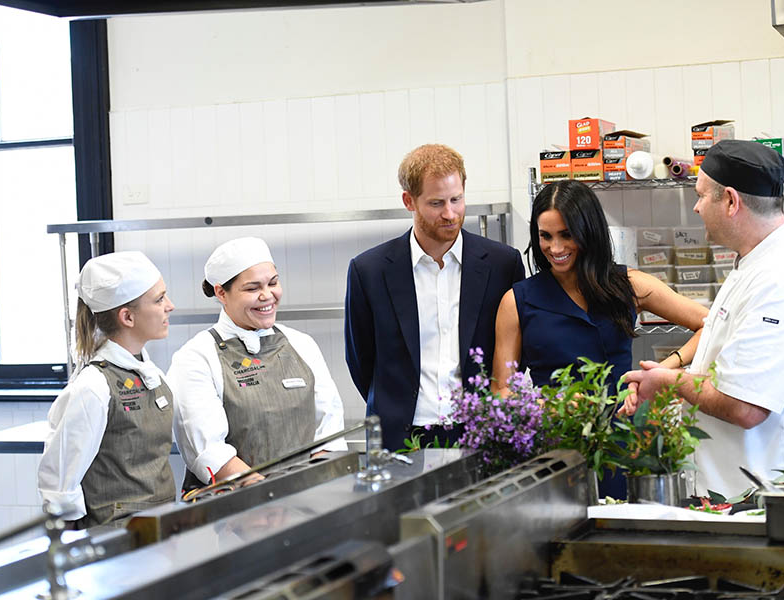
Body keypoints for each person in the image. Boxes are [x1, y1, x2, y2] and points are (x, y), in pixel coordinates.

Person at [620, 140, 784, 497]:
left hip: (776, 505)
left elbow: (745, 406)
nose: (696, 208)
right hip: (742, 497)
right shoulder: (754, 265)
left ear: (730, 201)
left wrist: (669, 382)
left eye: (699, 196)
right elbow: (727, 372)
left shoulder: (783, 280)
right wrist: (667, 379)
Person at [492, 179, 708, 497]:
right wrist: (546, 406)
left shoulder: (627, 284)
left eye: (567, 235)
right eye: (545, 236)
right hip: (555, 451)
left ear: (588, 231)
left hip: (626, 442)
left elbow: (710, 325)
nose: (556, 248)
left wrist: (664, 369)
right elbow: (501, 390)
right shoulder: (517, 301)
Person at [344, 143, 526, 451]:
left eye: (457, 199)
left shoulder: (502, 264)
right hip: (399, 435)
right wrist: (394, 403)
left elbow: (514, 352)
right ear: (409, 201)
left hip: (479, 432)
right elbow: (360, 359)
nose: (450, 214)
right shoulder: (369, 270)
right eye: (436, 203)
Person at [168, 237, 347, 491]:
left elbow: (329, 428)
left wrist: (314, 493)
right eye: (252, 288)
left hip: (305, 498)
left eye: (273, 283)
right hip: (233, 511)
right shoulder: (197, 357)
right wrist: (271, 500)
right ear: (221, 293)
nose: (268, 296)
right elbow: (210, 452)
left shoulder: (301, 344)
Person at [38, 251, 176, 527]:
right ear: (127, 317)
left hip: (158, 530)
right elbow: (60, 485)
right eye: (159, 299)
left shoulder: (152, 374)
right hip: (114, 541)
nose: (169, 306)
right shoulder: (92, 387)